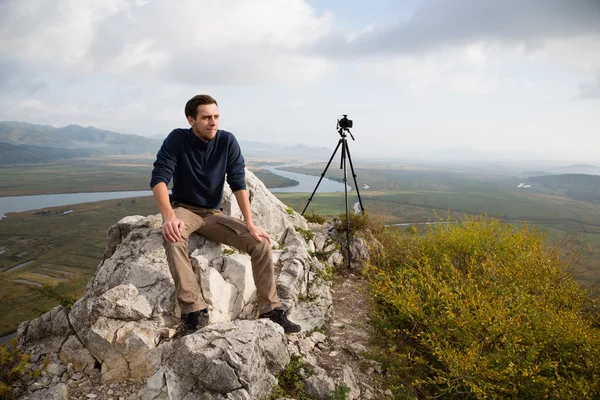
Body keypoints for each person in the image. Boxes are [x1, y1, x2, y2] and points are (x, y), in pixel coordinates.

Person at [150, 94, 301, 335]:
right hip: (184, 209)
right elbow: (159, 179)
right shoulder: (177, 139)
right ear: (192, 120)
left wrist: (250, 223)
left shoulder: (227, 141)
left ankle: (270, 309)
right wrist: (169, 216)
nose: (213, 122)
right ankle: (194, 310)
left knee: (260, 244)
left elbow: (238, 181)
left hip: (212, 213)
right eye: (206, 117)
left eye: (216, 116)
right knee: (173, 237)